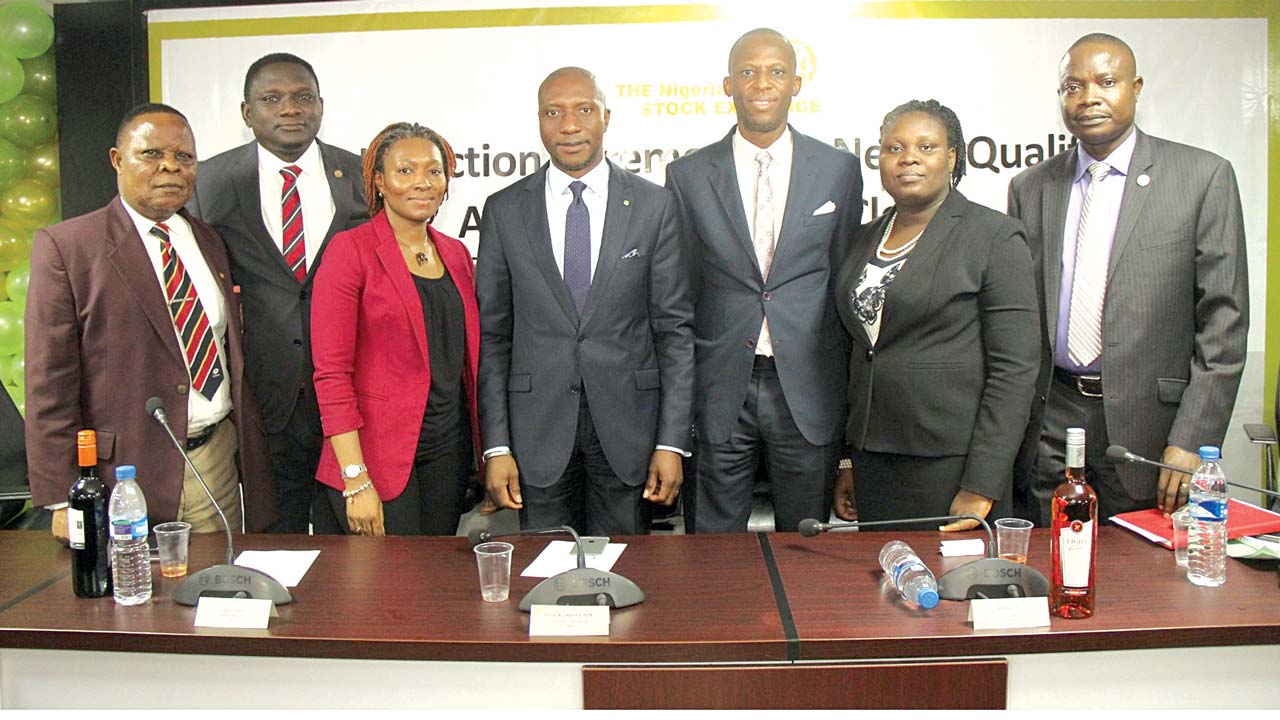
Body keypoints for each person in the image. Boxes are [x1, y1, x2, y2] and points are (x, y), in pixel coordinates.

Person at [1009, 33, 1248, 523]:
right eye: (1072, 86)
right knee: (1051, 566)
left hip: (1151, 431)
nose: (1088, 97)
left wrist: (1191, 439)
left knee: (1144, 582)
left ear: (1136, 88)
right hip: (1050, 421)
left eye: (1107, 81)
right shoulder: (1030, 188)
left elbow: (1224, 322)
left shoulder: (1202, 177)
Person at [26, 103, 275, 539]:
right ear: (117, 160)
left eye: (184, 158)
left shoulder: (209, 241)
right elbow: (50, 382)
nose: (170, 168)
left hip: (214, 458)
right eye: (152, 154)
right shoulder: (68, 248)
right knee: (130, 603)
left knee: (216, 593)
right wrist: (62, 495)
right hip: (121, 474)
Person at [476, 67, 694, 536]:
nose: (569, 125)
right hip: (536, 436)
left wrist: (672, 443)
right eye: (553, 112)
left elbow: (673, 332)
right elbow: (493, 338)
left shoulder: (654, 207)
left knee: (626, 577)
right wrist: (496, 448)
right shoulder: (504, 209)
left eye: (584, 110)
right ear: (538, 121)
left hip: (630, 434)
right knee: (544, 575)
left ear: (606, 118)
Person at [664, 28, 862, 533]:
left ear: (796, 83)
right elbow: (680, 293)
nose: (762, 83)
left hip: (808, 390)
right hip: (719, 387)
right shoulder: (687, 175)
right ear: (727, 85)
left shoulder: (838, 169)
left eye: (776, 71)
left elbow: (843, 285)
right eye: (748, 72)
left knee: (807, 548)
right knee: (714, 551)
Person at [832, 100, 1039, 530]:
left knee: (951, 590)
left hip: (952, 463)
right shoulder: (864, 238)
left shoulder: (994, 237)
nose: (908, 158)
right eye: (894, 148)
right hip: (873, 458)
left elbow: (1014, 370)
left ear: (951, 158)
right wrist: (847, 460)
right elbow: (858, 353)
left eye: (926, 147)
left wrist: (982, 483)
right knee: (881, 590)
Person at [188, 53, 368, 533]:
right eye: (272, 99)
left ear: (321, 106)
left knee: (356, 545)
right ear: (247, 113)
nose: (290, 108)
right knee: (276, 541)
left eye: (302, 97)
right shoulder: (208, 182)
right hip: (264, 399)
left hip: (352, 397)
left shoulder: (364, 176)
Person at [310, 123, 481, 536]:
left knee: (432, 590)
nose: (422, 182)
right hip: (375, 462)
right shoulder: (350, 250)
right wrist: (355, 478)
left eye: (434, 171)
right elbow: (331, 375)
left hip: (447, 456)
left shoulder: (455, 253)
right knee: (384, 594)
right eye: (406, 171)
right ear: (380, 182)